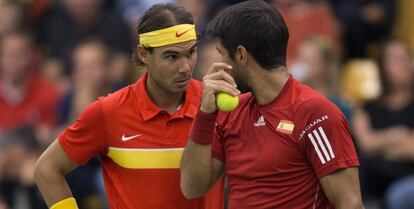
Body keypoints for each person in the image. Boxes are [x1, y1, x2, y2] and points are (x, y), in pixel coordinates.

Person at [34, 3, 223, 209]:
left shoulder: (218, 106)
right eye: (172, 56)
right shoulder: (108, 111)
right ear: (143, 55)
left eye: (191, 52)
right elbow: (47, 169)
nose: (185, 67)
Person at [180, 1, 364, 209]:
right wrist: (205, 114)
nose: (217, 65)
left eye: (221, 54)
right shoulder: (230, 112)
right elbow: (191, 187)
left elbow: (351, 203)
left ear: (241, 55)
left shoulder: (315, 113)